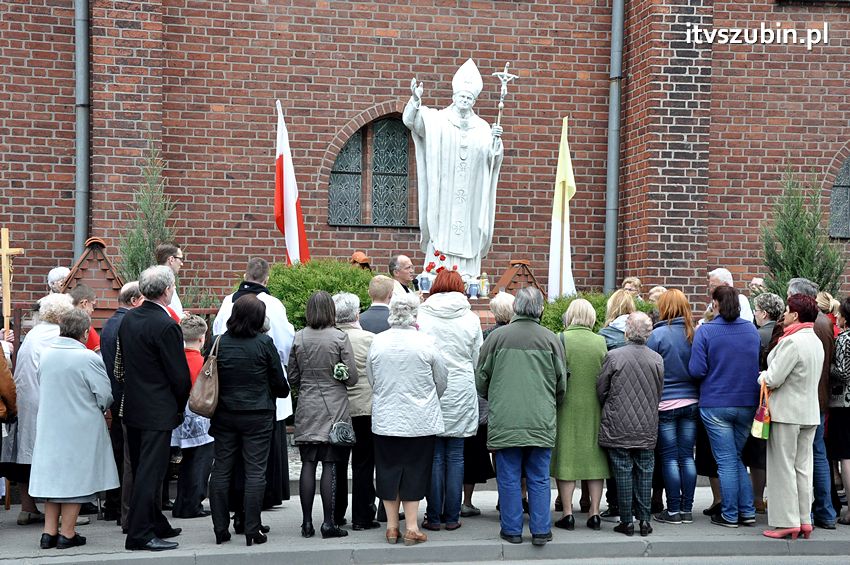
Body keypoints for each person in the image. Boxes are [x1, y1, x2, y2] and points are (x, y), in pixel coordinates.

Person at [476, 287, 566, 546]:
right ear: (540, 309)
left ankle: (512, 529)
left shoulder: (496, 338)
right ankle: (540, 530)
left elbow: (481, 379)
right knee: (538, 477)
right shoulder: (551, 339)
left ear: (516, 308)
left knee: (509, 476)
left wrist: (494, 397)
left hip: (506, 419)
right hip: (540, 418)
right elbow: (561, 383)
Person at [402, 58, 504, 278]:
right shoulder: (437, 120)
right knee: (442, 230)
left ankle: (466, 274)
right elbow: (413, 122)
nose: (465, 100)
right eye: (462, 97)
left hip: (469, 199)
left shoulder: (483, 127)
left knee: (467, 232)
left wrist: (496, 144)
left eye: (469, 97)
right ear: (454, 97)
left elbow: (491, 161)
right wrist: (415, 100)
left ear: (474, 101)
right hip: (445, 196)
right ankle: (437, 271)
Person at [28, 309, 119, 550]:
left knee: (54, 478)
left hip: (50, 423)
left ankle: (48, 532)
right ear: (85, 332)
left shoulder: (46, 354)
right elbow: (105, 395)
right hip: (81, 425)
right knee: (75, 479)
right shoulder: (87, 358)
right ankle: (67, 533)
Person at [212, 258, 295, 513]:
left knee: (226, 461)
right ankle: (259, 504)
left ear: (245, 274)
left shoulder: (229, 301)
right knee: (258, 458)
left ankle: (225, 517)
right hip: (261, 391)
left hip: (229, 393)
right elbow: (284, 343)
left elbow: (217, 335)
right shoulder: (272, 304)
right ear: (266, 279)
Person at [208, 295, 290, 546]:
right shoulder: (264, 343)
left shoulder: (218, 342)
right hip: (257, 415)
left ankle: (220, 529)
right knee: (256, 471)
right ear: (258, 319)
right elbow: (281, 386)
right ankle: (252, 529)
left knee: (221, 470)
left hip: (224, 414)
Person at [119, 265, 191, 552]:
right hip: (157, 409)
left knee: (142, 469)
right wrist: (180, 403)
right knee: (151, 472)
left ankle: (154, 520)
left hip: (134, 405)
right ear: (166, 290)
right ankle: (140, 534)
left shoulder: (130, 319)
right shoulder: (165, 325)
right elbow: (179, 375)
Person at [368, 293, 448, 546]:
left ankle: (392, 526)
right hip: (420, 420)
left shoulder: (378, 342)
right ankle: (412, 527)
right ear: (415, 315)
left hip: (386, 417)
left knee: (387, 469)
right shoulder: (426, 342)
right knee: (415, 470)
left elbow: (372, 379)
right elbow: (441, 380)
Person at [288, 291, 359, 540]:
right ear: (331, 311)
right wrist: (337, 374)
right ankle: (328, 523)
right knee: (330, 463)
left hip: (307, 405)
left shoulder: (299, 337)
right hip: (334, 406)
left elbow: (292, 378)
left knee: (308, 463)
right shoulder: (340, 338)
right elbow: (351, 377)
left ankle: (307, 523)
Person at [688, 285, 760, 528]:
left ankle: (730, 514)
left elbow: (697, 370)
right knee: (735, 457)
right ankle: (747, 510)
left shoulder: (706, 331)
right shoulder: (751, 330)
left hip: (716, 403)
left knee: (727, 460)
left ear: (715, 304)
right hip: (747, 402)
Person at [0, 293, 74, 526]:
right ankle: (61, 515)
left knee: (26, 456)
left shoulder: (34, 334)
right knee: (56, 458)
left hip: (27, 403)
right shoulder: (58, 336)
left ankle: (28, 508)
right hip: (51, 404)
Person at [417, 270, 482, 532]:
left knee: (434, 457)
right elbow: (477, 358)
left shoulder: (422, 314)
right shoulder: (471, 318)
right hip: (461, 388)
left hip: (431, 388)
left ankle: (433, 517)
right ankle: (453, 516)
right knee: (456, 455)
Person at [758, 294, 823, 540]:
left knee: (782, 468)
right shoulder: (815, 340)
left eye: (787, 310)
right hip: (809, 412)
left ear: (795, 315)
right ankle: (804, 519)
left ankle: (787, 521)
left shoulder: (791, 342)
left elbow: (773, 378)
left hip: (786, 412)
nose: (783, 314)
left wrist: (761, 376)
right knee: (803, 468)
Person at [598, 312, 663, 537]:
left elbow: (601, 389)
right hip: (646, 424)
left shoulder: (614, 356)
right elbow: (659, 391)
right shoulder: (656, 359)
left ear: (627, 331)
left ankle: (626, 521)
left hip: (618, 424)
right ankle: (644, 520)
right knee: (645, 471)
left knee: (623, 472)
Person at [551, 298, 609, 531]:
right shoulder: (600, 341)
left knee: (566, 460)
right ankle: (594, 512)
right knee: (594, 460)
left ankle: (567, 513)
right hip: (595, 407)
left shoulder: (560, 338)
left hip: (565, 407)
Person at [787, 277, 837, 529]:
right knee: (818, 456)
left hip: (801, 399)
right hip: (820, 396)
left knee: (799, 458)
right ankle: (825, 512)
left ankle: (799, 513)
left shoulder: (803, 327)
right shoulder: (826, 323)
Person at [646, 290, 698, 525]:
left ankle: (674, 510)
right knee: (687, 456)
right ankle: (687, 509)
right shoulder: (693, 333)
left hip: (665, 403)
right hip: (692, 402)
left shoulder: (657, 335)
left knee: (668, 458)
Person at [332, 292, 379, 531]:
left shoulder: (329, 338)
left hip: (337, 410)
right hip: (365, 408)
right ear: (357, 314)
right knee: (363, 464)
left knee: (337, 465)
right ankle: (362, 516)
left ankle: (336, 514)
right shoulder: (370, 339)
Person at [462, 293, 511, 516]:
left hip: (487, 401)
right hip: (509, 403)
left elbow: (480, 370)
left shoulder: (487, 336)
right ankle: (508, 496)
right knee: (507, 452)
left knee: (482, 448)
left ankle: (467, 500)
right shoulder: (518, 336)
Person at [99, 281, 143, 524]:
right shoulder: (126, 324)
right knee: (125, 456)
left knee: (119, 452)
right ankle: (119, 507)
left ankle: (114, 505)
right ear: (135, 300)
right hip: (126, 396)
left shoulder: (110, 323)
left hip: (115, 395)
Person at [597, 288, 636, 521]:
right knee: (639, 458)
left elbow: (601, 375)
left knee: (616, 457)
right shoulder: (642, 332)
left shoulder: (604, 336)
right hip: (642, 401)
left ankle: (616, 505)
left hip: (615, 401)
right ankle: (637, 505)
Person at [171, 315, 214, 519]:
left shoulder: (175, 358)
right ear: (202, 338)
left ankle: (181, 502)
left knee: (185, 462)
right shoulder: (202, 363)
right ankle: (192, 504)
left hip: (179, 415)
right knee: (201, 461)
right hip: (199, 417)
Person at [748, 292, 785, 513]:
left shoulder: (757, 334)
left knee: (758, 450)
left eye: (756, 309)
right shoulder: (783, 332)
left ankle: (757, 498)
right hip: (781, 399)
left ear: (763, 312)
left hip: (760, 398)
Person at [829, 296, 850, 525]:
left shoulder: (844, 339)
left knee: (845, 455)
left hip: (844, 403)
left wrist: (827, 364)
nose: (837, 316)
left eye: (840, 313)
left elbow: (843, 373)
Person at [155, 242, 185, 319]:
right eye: (181, 259)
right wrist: (181, 318)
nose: (182, 264)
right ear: (171, 259)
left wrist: (181, 315)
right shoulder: (162, 282)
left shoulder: (156, 278)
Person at [69, 284, 100, 352]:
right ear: (84, 303)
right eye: (93, 305)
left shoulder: (62, 324)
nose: (93, 310)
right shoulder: (87, 329)